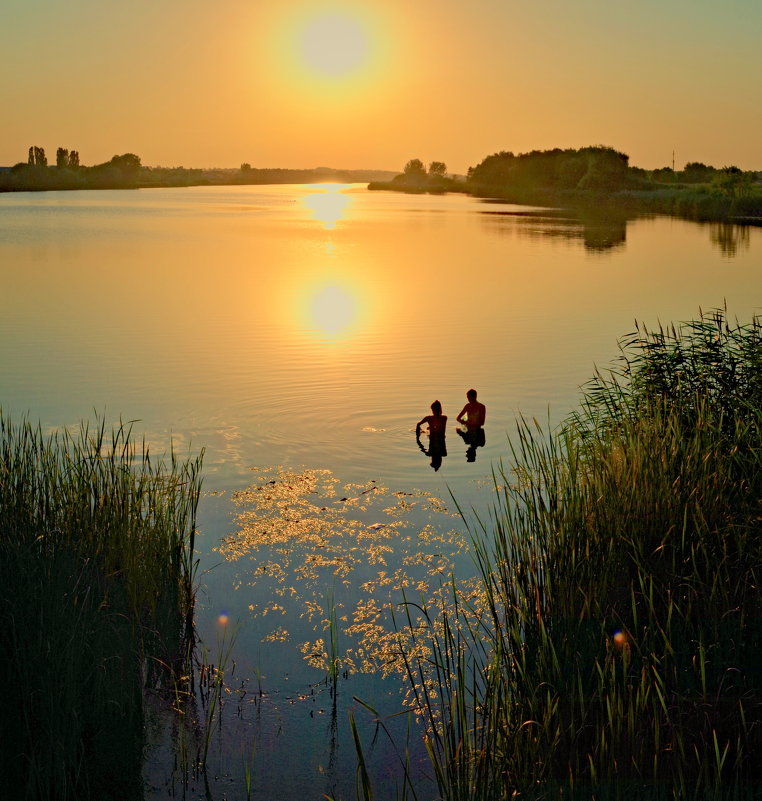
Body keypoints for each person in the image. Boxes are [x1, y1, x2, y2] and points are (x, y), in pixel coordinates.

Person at [456, 389, 486, 462]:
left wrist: (467, 423)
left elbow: (482, 423)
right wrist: (463, 422)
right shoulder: (467, 406)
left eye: (469, 397)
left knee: (460, 432)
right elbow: (458, 418)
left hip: (477, 431)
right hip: (468, 429)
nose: (468, 399)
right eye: (467, 397)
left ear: (474, 397)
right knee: (457, 430)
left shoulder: (481, 407)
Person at [416, 400, 447, 471]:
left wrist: (418, 437)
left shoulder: (429, 418)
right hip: (441, 439)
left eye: (433, 410)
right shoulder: (444, 418)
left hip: (433, 438)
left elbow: (418, 424)